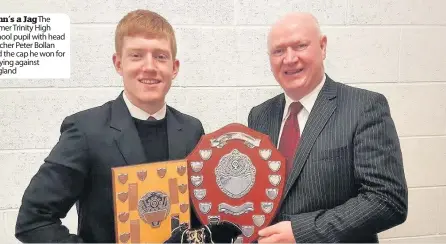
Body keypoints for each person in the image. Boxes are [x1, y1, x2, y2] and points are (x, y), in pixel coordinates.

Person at [15, 9, 205, 243]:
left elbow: (201, 214)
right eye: (136, 55)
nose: (149, 66)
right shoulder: (85, 130)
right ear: (118, 63)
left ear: (174, 67)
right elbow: (33, 220)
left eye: (160, 56)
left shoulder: (192, 130)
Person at [247, 12, 408, 243]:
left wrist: (302, 232)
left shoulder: (364, 107)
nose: (289, 59)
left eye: (300, 46)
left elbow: (387, 200)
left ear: (322, 47)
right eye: (279, 51)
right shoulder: (259, 116)